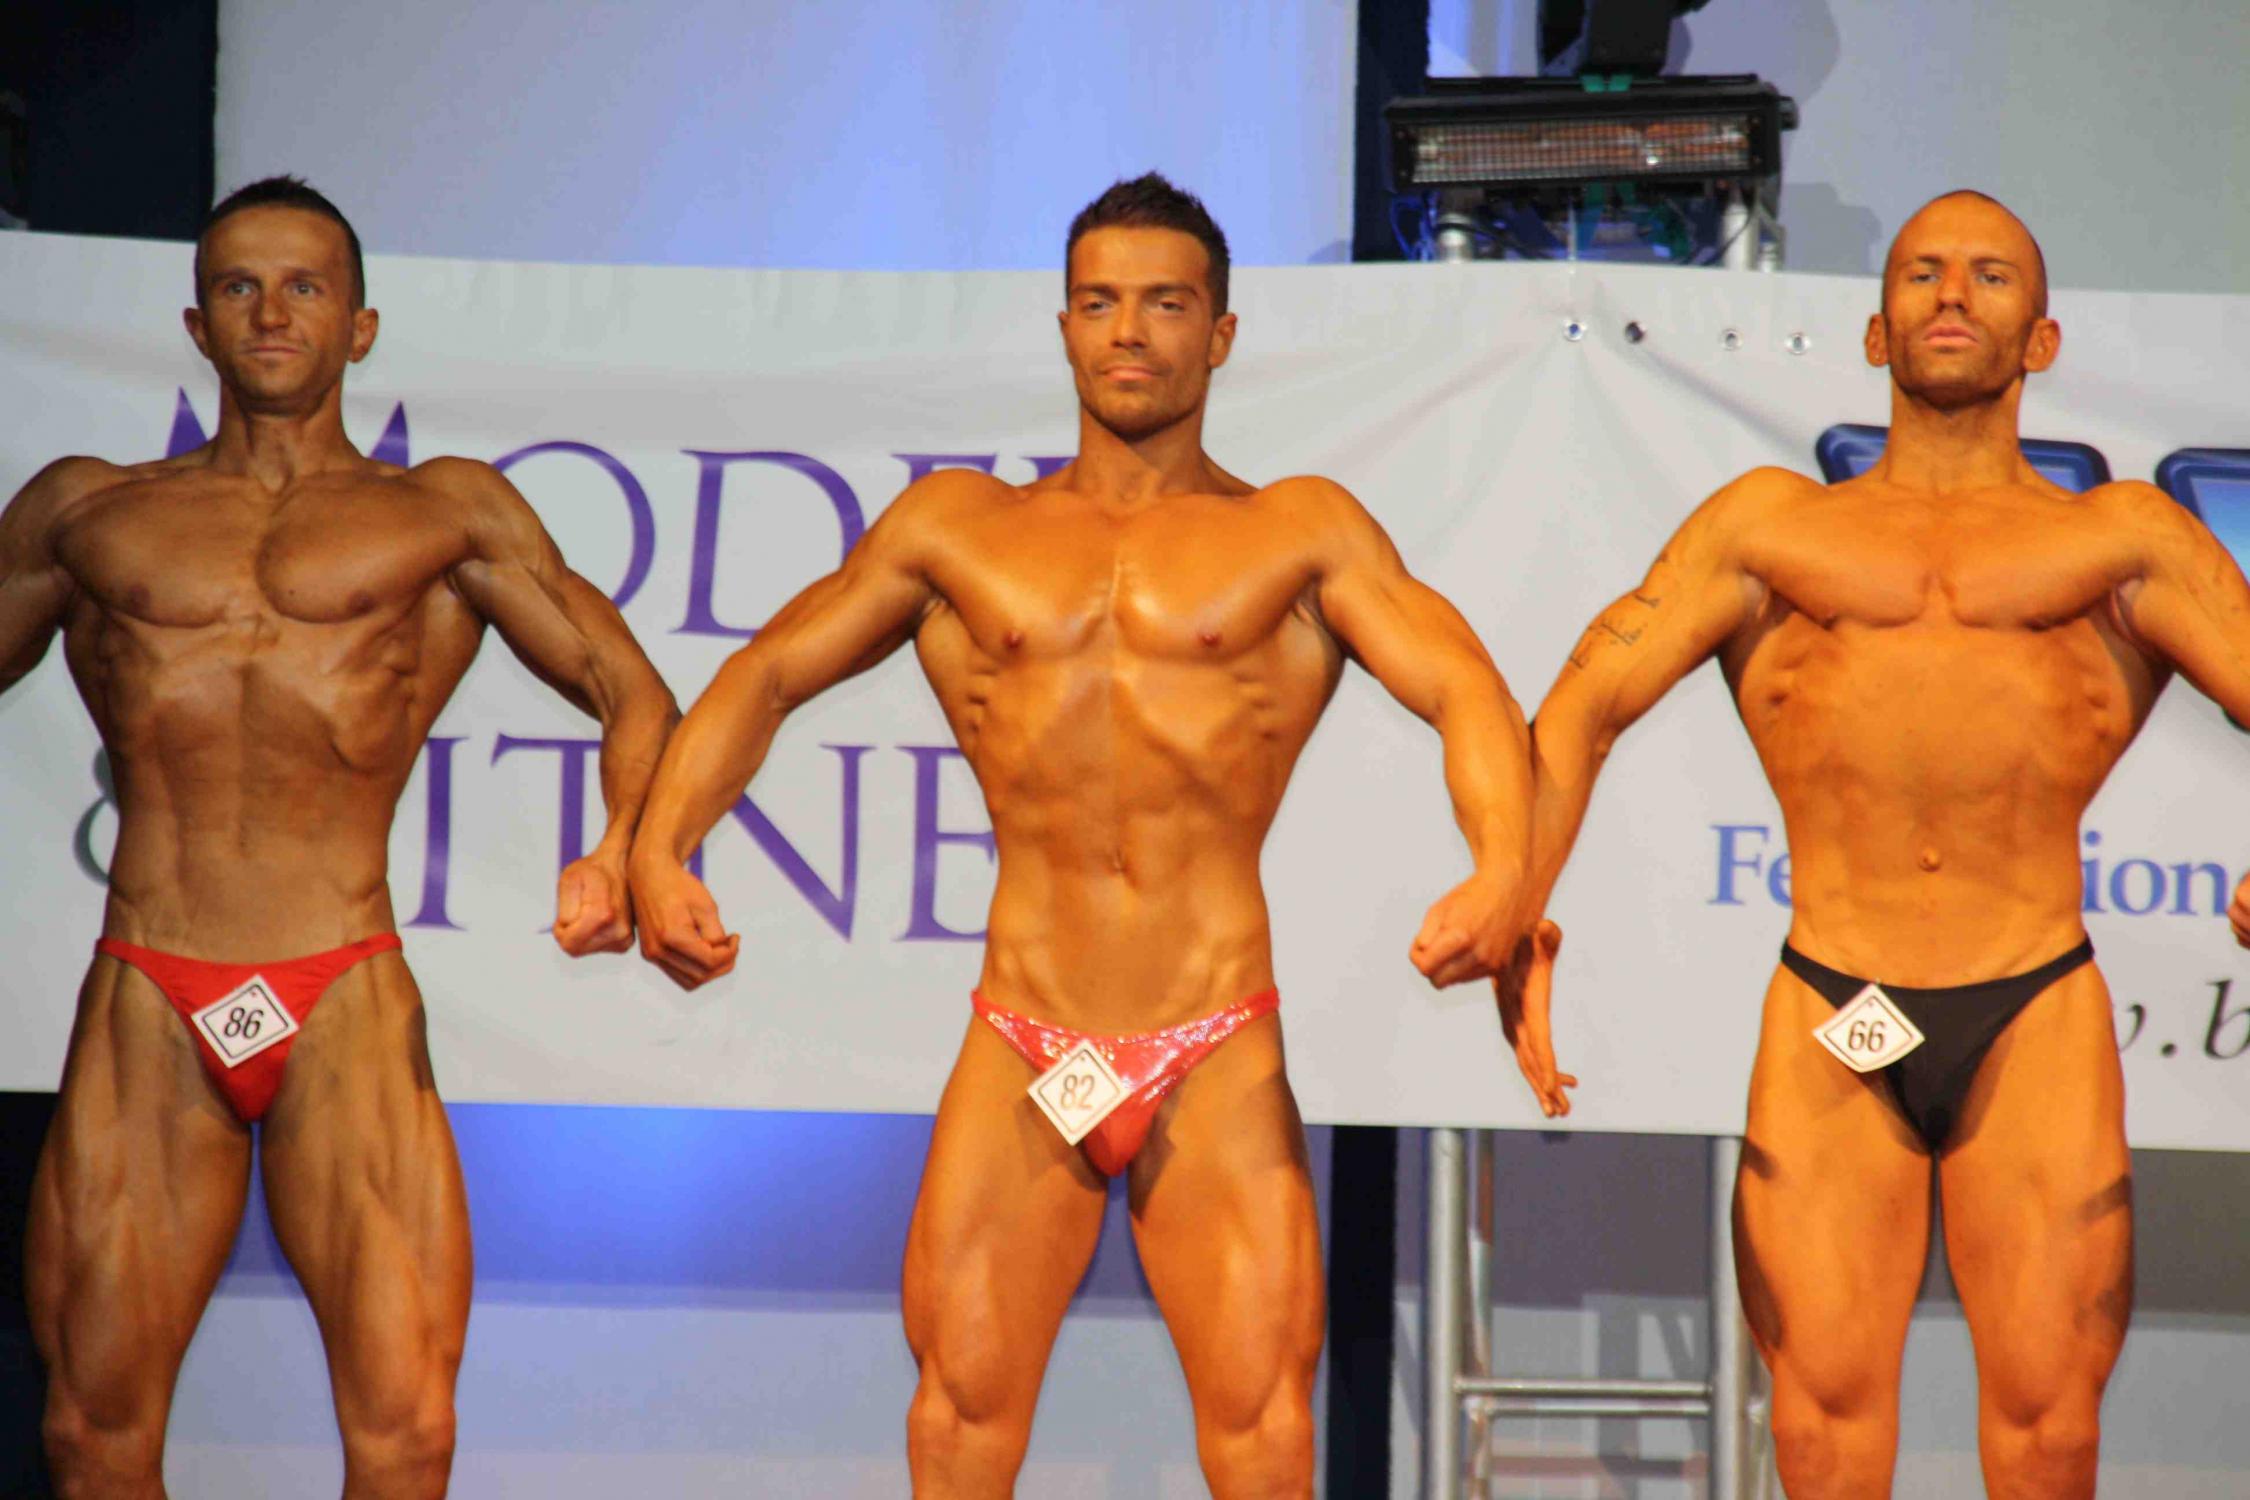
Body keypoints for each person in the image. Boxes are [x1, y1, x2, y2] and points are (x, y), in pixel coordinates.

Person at [629, 172, 1533, 1498]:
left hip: (1211, 1034)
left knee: (1265, 1437)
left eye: (1165, 304)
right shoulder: (958, 528)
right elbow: (766, 671)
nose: (1130, 333)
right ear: (1062, 327)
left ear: (1220, 333)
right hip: (1025, 1029)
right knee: (958, 1419)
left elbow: (1465, 689)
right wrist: (662, 849)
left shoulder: (1298, 530)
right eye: (1100, 303)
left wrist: (1503, 868)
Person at [1502, 190, 2250, 1499]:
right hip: (1830, 1006)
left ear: (2043, 339)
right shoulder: (1766, 528)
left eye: (1988, 275)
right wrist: (1511, 896)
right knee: (1819, 1431)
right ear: (1873, 329)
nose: (1951, 294)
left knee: (2049, 1435)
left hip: (2031, 1009)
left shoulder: (2124, 539)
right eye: (1921, 272)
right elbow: (1582, 702)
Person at [0, 177, 678, 1498]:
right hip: (149, 984)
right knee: (90, 1435)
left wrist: (622, 852)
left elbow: (632, 692)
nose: (271, 312)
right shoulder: (88, 513)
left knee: (407, 1433)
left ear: (360, 326)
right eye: (239, 286)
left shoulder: (444, 513)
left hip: (344, 986)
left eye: (305, 286)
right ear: (196, 325)